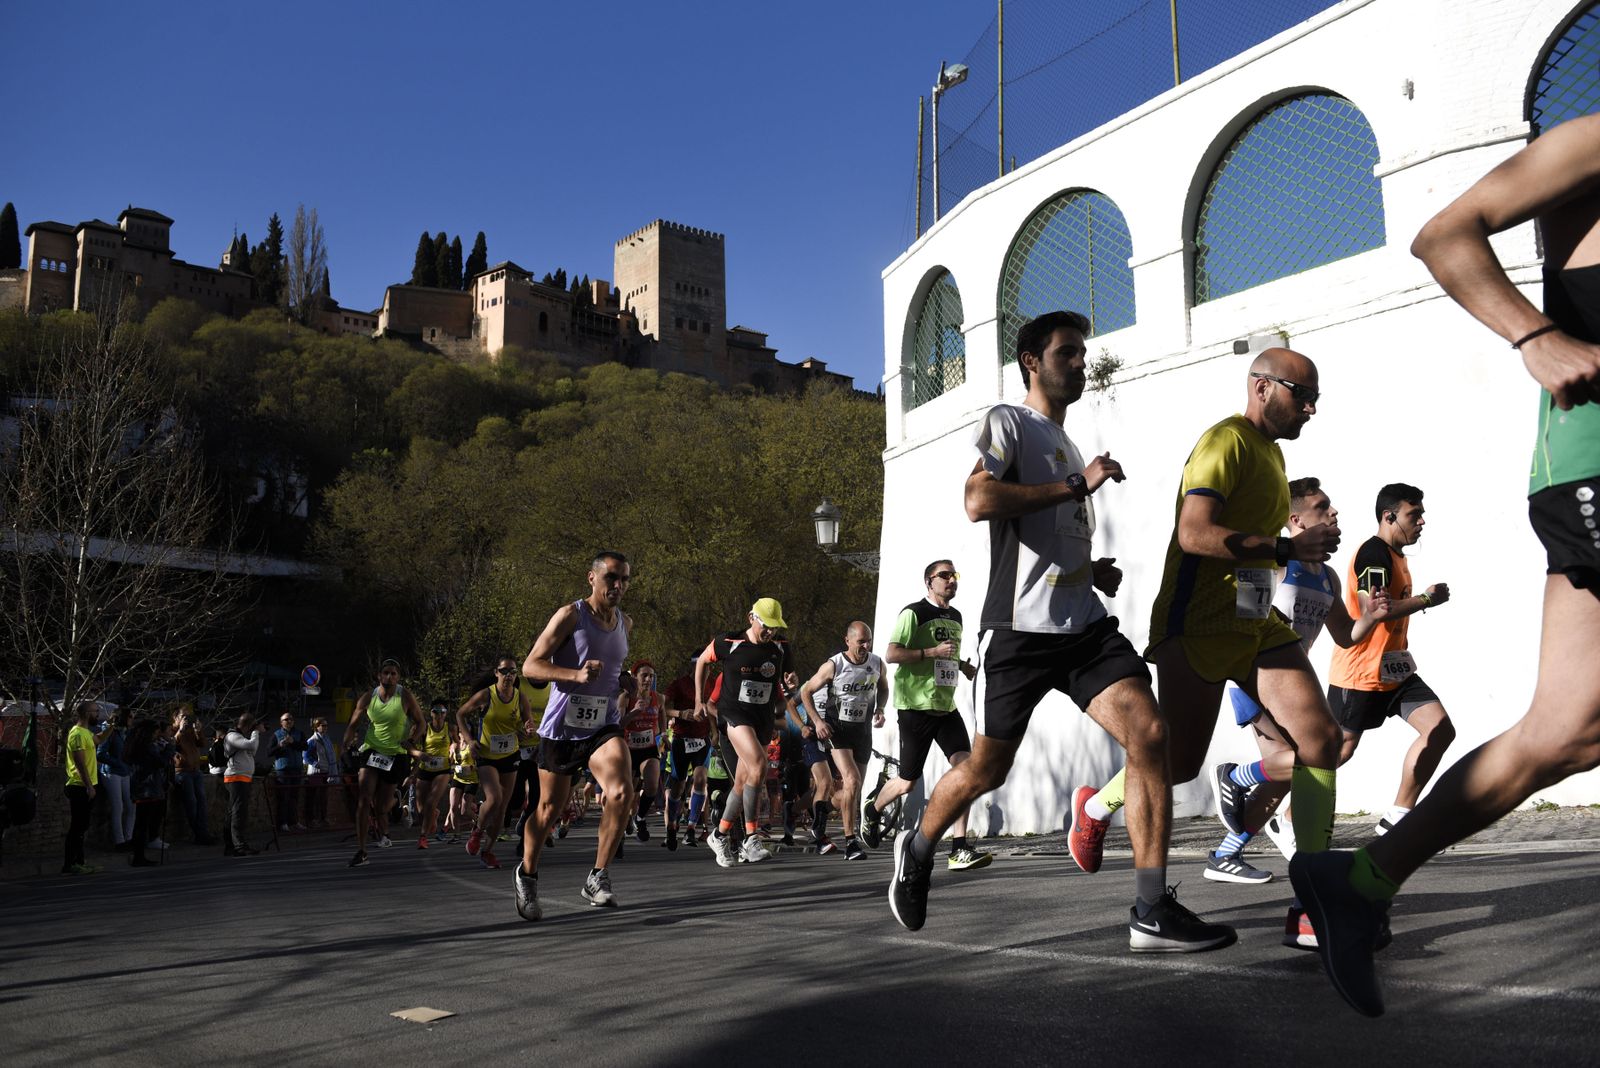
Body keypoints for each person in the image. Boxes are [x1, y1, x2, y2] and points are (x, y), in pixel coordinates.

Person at [1292, 111, 1600, 1018]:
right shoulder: (1592, 142)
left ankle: (1362, 880)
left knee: (1566, 730)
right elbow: (1443, 235)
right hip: (1594, 460)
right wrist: (1535, 335)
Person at [889, 310, 1234, 952]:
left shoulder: (1069, 443)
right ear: (1031, 360)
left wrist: (1087, 566)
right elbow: (979, 501)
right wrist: (1078, 483)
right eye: (1067, 352)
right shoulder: (1008, 421)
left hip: (1083, 630)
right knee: (986, 770)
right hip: (1017, 634)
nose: (1080, 362)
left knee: (1151, 735)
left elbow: (1048, 529)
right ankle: (919, 844)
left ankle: (1151, 909)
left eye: (1082, 352)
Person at [1068, 336, 1345, 943]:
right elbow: (1194, 533)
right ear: (1263, 386)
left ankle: (1313, 905)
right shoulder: (1227, 441)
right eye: (1305, 396)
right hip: (1196, 624)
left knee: (1322, 740)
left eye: (1316, 399)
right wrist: (1284, 549)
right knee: (1181, 763)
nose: (1312, 409)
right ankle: (1094, 809)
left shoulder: (1273, 458)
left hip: (1253, 622)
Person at [1195, 479, 1389, 907]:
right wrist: (1267, 618)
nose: (1334, 512)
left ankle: (1225, 854)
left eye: (1332, 506)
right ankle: (1237, 776)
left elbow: (1344, 635)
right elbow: (1244, 618)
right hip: (1256, 676)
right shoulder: (1273, 562)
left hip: (1291, 683)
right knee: (1304, 761)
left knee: (1288, 778)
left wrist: (1372, 616)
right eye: (1323, 507)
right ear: (1295, 520)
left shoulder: (1330, 576)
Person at [514, 551, 638, 919]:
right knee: (549, 809)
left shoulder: (625, 623)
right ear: (592, 578)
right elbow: (530, 665)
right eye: (611, 577)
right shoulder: (571, 615)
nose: (618, 586)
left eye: (624, 579)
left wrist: (625, 680)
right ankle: (528, 874)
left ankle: (598, 876)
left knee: (621, 790)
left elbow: (614, 667)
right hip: (562, 728)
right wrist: (575, 676)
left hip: (602, 725)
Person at [1326, 483, 1455, 836]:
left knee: (1439, 729)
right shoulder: (1374, 554)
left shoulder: (1397, 556)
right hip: (1361, 673)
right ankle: (1279, 815)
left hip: (1396, 671)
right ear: (1389, 516)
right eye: (1415, 514)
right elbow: (1375, 610)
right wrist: (1427, 600)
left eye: (1421, 514)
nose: (1422, 521)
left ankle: (1397, 818)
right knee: (1335, 753)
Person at [866, 564, 991, 871]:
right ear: (929, 582)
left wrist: (961, 666)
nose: (951, 581)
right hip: (915, 706)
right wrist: (931, 653)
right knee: (908, 781)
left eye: (954, 576)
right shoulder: (914, 613)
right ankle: (873, 809)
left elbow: (946, 653)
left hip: (945, 707)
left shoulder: (956, 616)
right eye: (944, 576)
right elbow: (893, 654)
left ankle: (959, 848)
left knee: (968, 771)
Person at [695, 598, 798, 868]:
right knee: (759, 764)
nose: (770, 632)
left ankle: (719, 835)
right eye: (766, 626)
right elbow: (703, 662)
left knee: (743, 783)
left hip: (762, 718)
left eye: (775, 628)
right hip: (733, 713)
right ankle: (752, 837)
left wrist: (790, 684)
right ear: (751, 617)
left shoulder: (781, 646)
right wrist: (698, 699)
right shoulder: (730, 643)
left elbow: (788, 683)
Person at [800, 621, 888, 860]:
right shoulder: (834, 665)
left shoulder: (877, 662)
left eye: (868, 640)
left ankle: (821, 813)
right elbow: (805, 692)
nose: (866, 646)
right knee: (851, 779)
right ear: (847, 640)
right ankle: (851, 842)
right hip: (837, 731)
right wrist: (817, 722)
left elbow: (884, 687)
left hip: (863, 732)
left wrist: (880, 708)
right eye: (861, 641)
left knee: (853, 788)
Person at [456, 656, 537, 870]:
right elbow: (460, 714)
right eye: (504, 671)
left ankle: (488, 851)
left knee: (503, 809)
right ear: (496, 673)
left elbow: (528, 726)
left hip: (510, 755)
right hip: (486, 755)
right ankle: (477, 831)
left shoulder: (521, 698)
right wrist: (469, 740)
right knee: (494, 798)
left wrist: (528, 730)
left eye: (512, 672)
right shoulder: (487, 695)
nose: (508, 676)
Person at [344, 660, 426, 867]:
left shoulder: (404, 696)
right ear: (379, 676)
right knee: (364, 799)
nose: (389, 677)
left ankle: (397, 802)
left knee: (381, 808)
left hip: (396, 755)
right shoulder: (368, 697)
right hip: (372, 751)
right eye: (386, 673)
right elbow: (353, 724)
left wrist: (412, 741)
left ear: (398, 677)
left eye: (393, 674)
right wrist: (346, 741)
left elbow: (421, 722)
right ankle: (362, 851)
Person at [662, 665, 713, 849]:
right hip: (681, 740)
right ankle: (672, 825)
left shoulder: (712, 684)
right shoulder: (679, 684)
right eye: (703, 665)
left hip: (702, 740)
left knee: (700, 779)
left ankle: (691, 827)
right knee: (678, 785)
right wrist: (680, 714)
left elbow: (714, 707)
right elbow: (664, 706)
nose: (706, 670)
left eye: (709, 666)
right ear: (694, 666)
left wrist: (714, 732)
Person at [621, 660, 664, 842]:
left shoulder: (658, 698)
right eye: (644, 675)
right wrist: (634, 712)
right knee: (626, 793)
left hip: (648, 748)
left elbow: (662, 721)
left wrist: (664, 737)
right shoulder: (625, 698)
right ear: (634, 677)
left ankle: (640, 817)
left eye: (651, 676)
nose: (648, 679)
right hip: (628, 749)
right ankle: (622, 828)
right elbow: (619, 724)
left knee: (652, 785)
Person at [126, 718, 175, 867]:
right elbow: (160, 762)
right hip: (148, 787)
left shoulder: (135, 745)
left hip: (140, 786)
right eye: (155, 732)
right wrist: (169, 749)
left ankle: (138, 854)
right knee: (143, 822)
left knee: (141, 822)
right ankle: (139, 856)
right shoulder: (147, 746)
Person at [62, 702, 100, 875]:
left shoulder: (87, 733)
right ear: (86, 713)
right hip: (79, 786)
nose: (98, 714)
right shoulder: (77, 734)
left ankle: (80, 862)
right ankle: (70, 864)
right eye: (96, 711)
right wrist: (89, 786)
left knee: (82, 827)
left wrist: (113, 727)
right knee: (77, 827)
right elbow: (79, 763)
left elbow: (99, 740)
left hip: (86, 785)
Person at [171, 707, 215, 845]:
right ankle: (200, 834)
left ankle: (203, 832)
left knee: (202, 802)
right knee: (191, 803)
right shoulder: (172, 730)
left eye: (188, 716)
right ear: (176, 717)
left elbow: (202, 744)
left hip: (196, 770)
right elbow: (171, 745)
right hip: (182, 771)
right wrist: (180, 731)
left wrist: (198, 731)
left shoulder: (191, 730)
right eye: (183, 716)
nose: (186, 719)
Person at [222, 713, 261, 857]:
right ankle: (239, 846)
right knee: (238, 812)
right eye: (252, 726)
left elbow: (253, 749)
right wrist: (256, 732)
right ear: (248, 725)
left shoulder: (241, 737)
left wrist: (254, 735)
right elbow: (251, 745)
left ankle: (231, 846)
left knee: (234, 812)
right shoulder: (232, 736)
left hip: (242, 778)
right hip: (236, 778)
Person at [414, 703, 453, 847]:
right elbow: (410, 746)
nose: (439, 714)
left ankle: (423, 837)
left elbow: (458, 742)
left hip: (443, 769)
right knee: (421, 810)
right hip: (425, 768)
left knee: (431, 801)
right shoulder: (424, 728)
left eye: (443, 712)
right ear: (431, 713)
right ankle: (433, 814)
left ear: (446, 714)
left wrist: (454, 747)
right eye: (436, 711)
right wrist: (418, 754)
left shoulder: (451, 728)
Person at [97, 708, 134, 852]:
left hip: (125, 772)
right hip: (111, 772)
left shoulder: (127, 733)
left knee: (131, 805)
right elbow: (100, 754)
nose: (132, 719)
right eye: (130, 716)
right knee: (118, 806)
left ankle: (129, 837)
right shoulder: (110, 731)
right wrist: (119, 762)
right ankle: (120, 841)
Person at [270, 711, 307, 833]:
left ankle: (294, 822)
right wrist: (280, 746)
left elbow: (305, 747)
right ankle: (283, 823)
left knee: (294, 797)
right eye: (286, 719)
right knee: (283, 797)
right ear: (281, 722)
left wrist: (293, 742)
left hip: (296, 768)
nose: (289, 721)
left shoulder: (299, 733)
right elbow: (269, 752)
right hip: (283, 769)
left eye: (291, 719)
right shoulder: (276, 734)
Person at [302, 717, 339, 830]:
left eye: (326, 725)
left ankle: (323, 818)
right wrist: (315, 763)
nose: (325, 728)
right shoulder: (312, 740)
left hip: (325, 771)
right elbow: (305, 755)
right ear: (316, 727)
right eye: (322, 725)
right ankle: (311, 819)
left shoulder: (326, 739)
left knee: (323, 796)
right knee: (314, 796)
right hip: (315, 773)